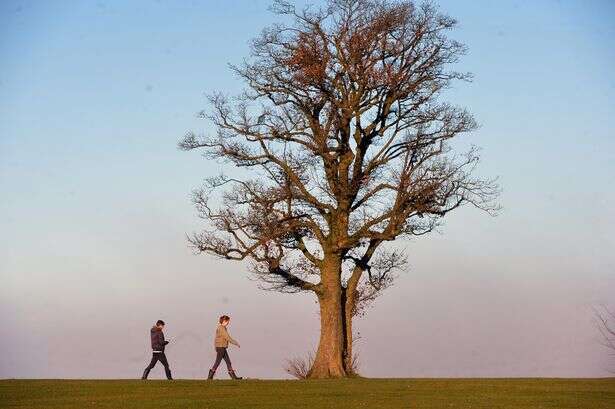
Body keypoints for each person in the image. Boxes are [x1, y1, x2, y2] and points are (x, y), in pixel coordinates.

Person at [208, 315, 242, 380]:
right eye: (227, 321)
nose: (228, 323)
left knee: (228, 362)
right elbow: (227, 337)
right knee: (217, 362)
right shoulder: (221, 328)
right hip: (221, 348)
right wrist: (236, 343)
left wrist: (215, 347)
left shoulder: (221, 328)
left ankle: (234, 377)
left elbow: (216, 338)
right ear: (224, 321)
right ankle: (210, 377)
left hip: (221, 347)